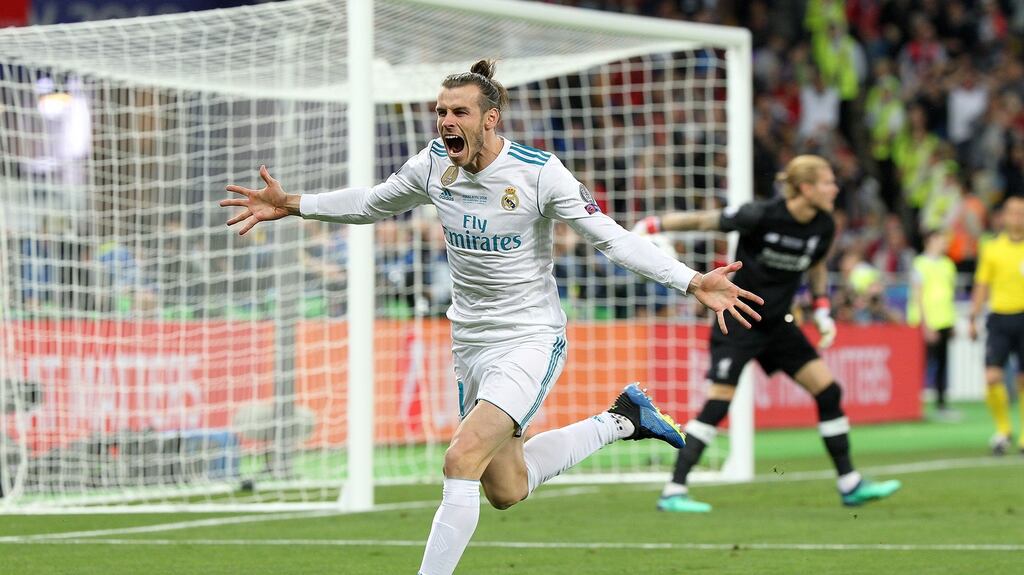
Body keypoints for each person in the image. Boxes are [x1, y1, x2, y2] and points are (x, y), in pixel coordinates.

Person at [220, 60, 763, 575]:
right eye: (441, 111)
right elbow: (373, 202)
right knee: (506, 488)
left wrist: (691, 281)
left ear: (489, 118)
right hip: (470, 342)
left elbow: (612, 239)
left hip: (529, 336)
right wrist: (294, 203)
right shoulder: (433, 164)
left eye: (458, 112)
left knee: (460, 459)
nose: (446, 122)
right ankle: (623, 419)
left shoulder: (538, 173)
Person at [634, 154, 902, 512]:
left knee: (828, 390)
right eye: (827, 182)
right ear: (806, 188)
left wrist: (822, 309)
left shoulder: (823, 225)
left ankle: (849, 483)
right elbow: (706, 219)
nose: (834, 188)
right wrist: (654, 225)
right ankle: (673, 491)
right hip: (739, 322)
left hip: (779, 325)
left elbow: (817, 265)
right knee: (717, 404)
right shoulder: (760, 215)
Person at [968, 196, 1024, 455]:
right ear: (1004, 216)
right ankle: (1004, 430)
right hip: (1000, 318)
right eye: (1013, 212)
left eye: (1022, 212)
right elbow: (982, 284)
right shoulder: (992, 248)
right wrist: (973, 316)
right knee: (992, 377)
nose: (1018, 217)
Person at [908, 231, 960, 420]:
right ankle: (914, 405)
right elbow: (918, 294)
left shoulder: (948, 265)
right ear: (929, 241)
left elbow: (950, 293)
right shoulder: (919, 264)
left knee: (943, 364)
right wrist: (925, 324)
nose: (944, 244)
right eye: (940, 240)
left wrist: (953, 320)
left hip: (945, 318)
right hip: (927, 321)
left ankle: (941, 404)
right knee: (920, 364)